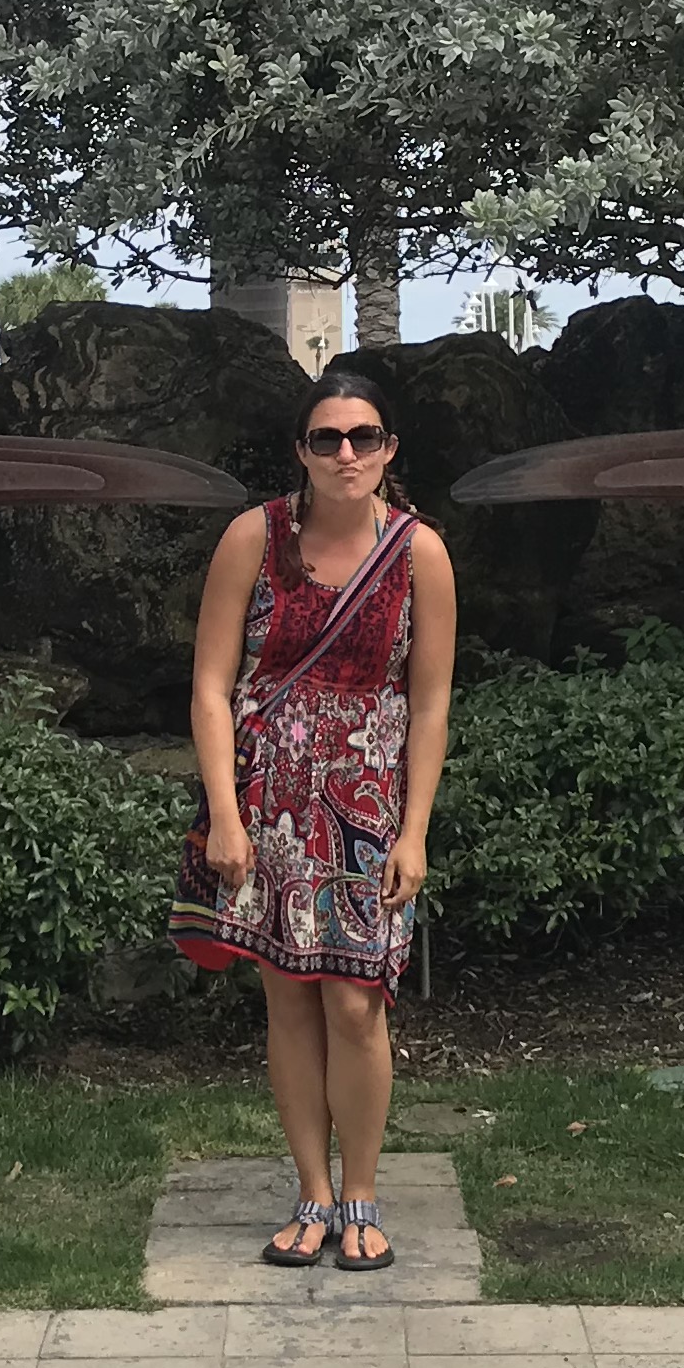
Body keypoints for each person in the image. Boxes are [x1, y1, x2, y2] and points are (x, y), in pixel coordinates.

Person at [172, 365, 458, 1270]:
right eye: (327, 438)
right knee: (289, 999)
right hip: (269, 801)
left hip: (368, 805)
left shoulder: (418, 554)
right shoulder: (253, 539)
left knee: (357, 1004)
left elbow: (431, 703)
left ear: (389, 449)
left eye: (363, 436)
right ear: (301, 450)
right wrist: (225, 815)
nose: (346, 453)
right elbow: (212, 686)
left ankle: (362, 1191)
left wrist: (415, 831)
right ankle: (312, 1193)